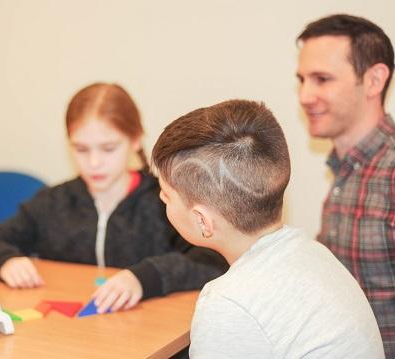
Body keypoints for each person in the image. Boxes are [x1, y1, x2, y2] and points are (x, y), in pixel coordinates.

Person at [152, 99, 384, 358]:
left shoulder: (229, 304)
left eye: (165, 195)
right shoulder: (315, 254)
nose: (161, 200)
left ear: (202, 221)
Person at [0, 82, 228, 313]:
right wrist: (4, 260)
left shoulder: (165, 201)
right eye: (81, 149)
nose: (94, 163)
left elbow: (213, 260)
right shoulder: (54, 202)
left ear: (135, 141)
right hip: (77, 334)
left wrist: (143, 278)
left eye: (108, 148)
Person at [296, 14, 394, 357]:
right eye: (302, 79)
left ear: (374, 80)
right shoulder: (344, 170)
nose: (305, 95)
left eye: (322, 79)